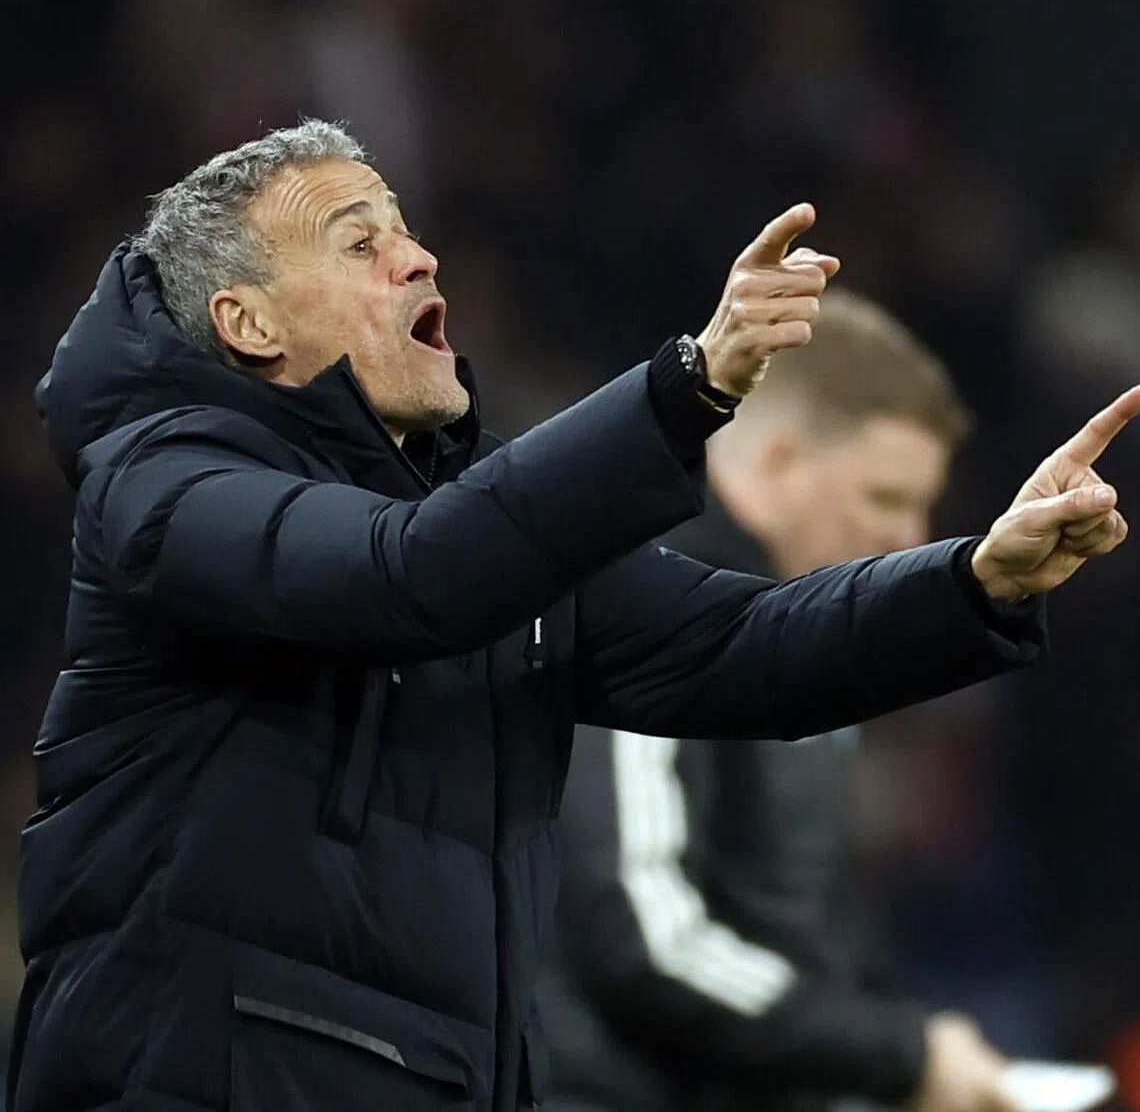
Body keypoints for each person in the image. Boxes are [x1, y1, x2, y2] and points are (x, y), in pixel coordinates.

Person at [7, 120, 1135, 1112]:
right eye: (361, 243)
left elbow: (744, 646)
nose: (419, 257)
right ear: (249, 322)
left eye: (406, 228)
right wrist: (686, 385)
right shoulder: (162, 484)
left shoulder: (478, 522)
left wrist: (977, 579)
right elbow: (408, 580)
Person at [541, 289, 1029, 1112]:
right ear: (773, 467)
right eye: (884, 499)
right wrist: (900, 1055)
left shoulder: (793, 634)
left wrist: (899, 1047)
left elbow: (794, 927)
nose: (911, 542)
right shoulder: (642, 599)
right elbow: (645, 939)